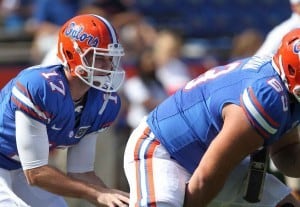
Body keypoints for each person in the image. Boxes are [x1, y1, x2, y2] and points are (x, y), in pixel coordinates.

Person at [123, 28, 300, 207]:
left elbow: (285, 151)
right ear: (293, 71)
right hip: (164, 149)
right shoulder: (266, 98)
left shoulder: (284, 90)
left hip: (209, 158)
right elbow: (206, 177)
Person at [0, 14, 129, 207]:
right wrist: (97, 193)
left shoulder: (104, 102)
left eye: (111, 58)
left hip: (19, 167)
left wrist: (112, 196)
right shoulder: (40, 87)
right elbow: (36, 173)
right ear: (71, 54)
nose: (108, 66)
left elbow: (81, 172)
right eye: (99, 57)